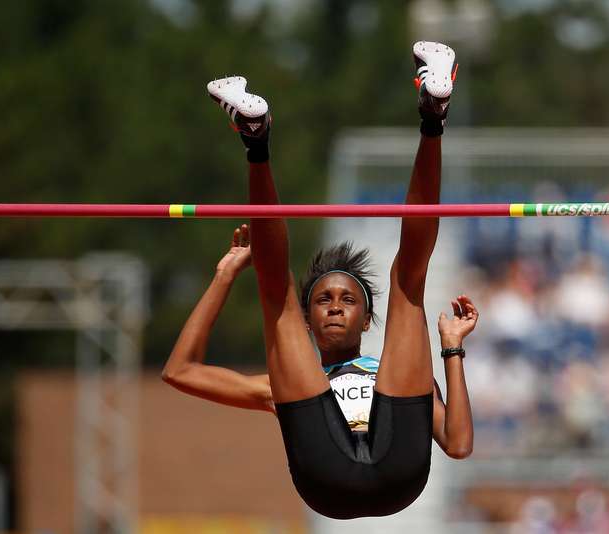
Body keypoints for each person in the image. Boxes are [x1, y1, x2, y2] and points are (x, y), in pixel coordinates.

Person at [162, 41, 476, 519]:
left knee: (408, 280)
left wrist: (451, 351)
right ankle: (256, 137)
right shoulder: (277, 387)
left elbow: (456, 444)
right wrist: (225, 276)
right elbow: (178, 371)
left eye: (347, 299)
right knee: (277, 297)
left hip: (399, 472)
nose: (333, 305)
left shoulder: (399, 374)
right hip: (328, 479)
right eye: (324, 299)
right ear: (309, 320)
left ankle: (433, 117)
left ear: (367, 318)